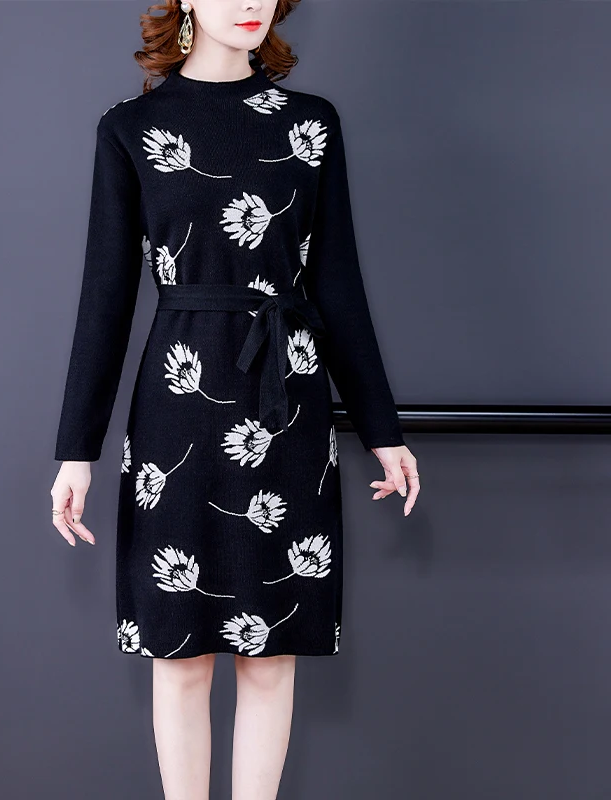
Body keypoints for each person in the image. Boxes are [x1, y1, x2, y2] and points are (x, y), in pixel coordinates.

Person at [50, 1, 420, 797]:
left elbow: (338, 284)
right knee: (178, 656)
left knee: (271, 652)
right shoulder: (130, 129)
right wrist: (76, 452)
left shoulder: (311, 124)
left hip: (287, 403)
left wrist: (382, 429)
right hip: (177, 403)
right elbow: (105, 297)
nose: (249, 1)